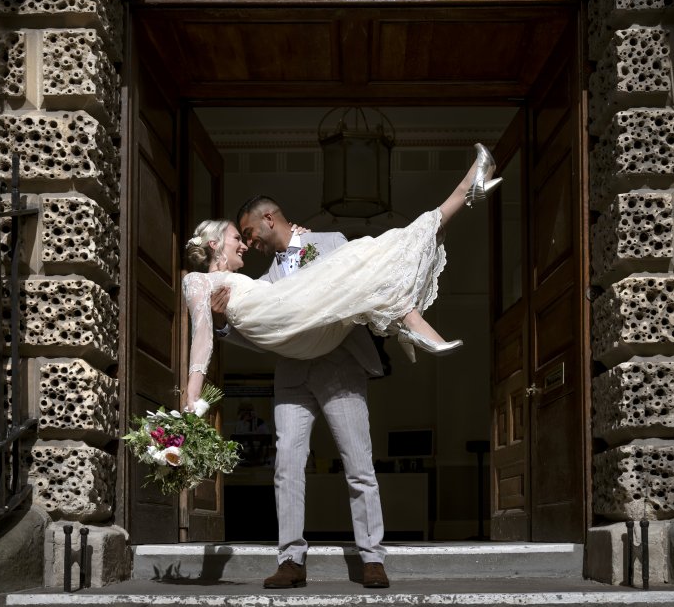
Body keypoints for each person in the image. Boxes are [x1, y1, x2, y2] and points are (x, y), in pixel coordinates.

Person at [182, 143, 499, 589]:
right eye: (243, 238)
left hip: (340, 368)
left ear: (269, 219)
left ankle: (372, 557)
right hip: (293, 374)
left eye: (251, 232)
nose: (249, 242)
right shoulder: (261, 278)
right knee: (287, 466)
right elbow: (265, 328)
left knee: (358, 462)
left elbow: (354, 285)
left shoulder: (329, 241)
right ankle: (291, 560)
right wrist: (220, 324)